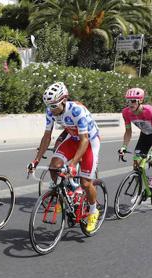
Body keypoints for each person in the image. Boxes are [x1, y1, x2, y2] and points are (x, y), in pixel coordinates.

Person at [27, 82, 101, 233]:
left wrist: (73, 164)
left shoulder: (77, 111)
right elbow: (46, 137)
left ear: (64, 100)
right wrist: (36, 160)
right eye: (48, 106)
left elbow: (84, 140)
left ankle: (93, 211)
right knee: (54, 166)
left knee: (86, 183)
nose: (51, 110)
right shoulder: (50, 111)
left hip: (89, 142)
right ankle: (66, 194)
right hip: (73, 139)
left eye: (54, 106)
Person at [119, 87, 152, 192]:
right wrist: (124, 147)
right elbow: (128, 132)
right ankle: (141, 191)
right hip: (145, 135)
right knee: (136, 163)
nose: (130, 104)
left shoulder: (149, 111)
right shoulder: (126, 112)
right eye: (128, 101)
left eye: (133, 101)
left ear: (140, 101)